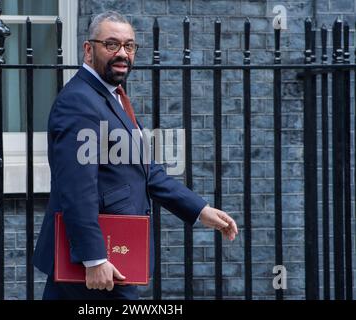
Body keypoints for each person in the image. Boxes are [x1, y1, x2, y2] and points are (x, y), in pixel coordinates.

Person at [33, 10, 238, 300]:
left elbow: (146, 169)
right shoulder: (80, 102)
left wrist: (198, 210)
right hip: (99, 264)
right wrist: (94, 259)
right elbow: (77, 188)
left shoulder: (110, 97)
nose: (123, 53)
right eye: (112, 44)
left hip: (110, 257)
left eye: (129, 46)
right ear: (89, 50)